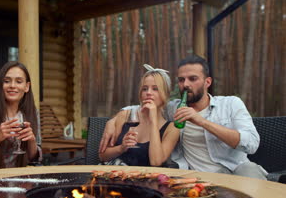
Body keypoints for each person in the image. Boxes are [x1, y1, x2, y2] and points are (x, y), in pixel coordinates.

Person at [100, 55, 266, 179]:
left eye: (193, 79)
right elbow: (147, 105)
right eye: (181, 80)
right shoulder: (173, 108)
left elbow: (251, 144)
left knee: (252, 179)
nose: (186, 84)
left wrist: (201, 121)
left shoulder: (230, 104)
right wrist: (114, 119)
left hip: (237, 166)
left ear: (207, 82)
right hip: (200, 174)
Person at [99, 64, 179, 166]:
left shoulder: (172, 129)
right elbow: (102, 156)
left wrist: (153, 121)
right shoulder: (125, 116)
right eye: (145, 89)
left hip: (147, 179)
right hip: (116, 174)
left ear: (165, 94)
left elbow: (156, 162)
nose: (148, 93)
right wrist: (121, 148)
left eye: (155, 89)